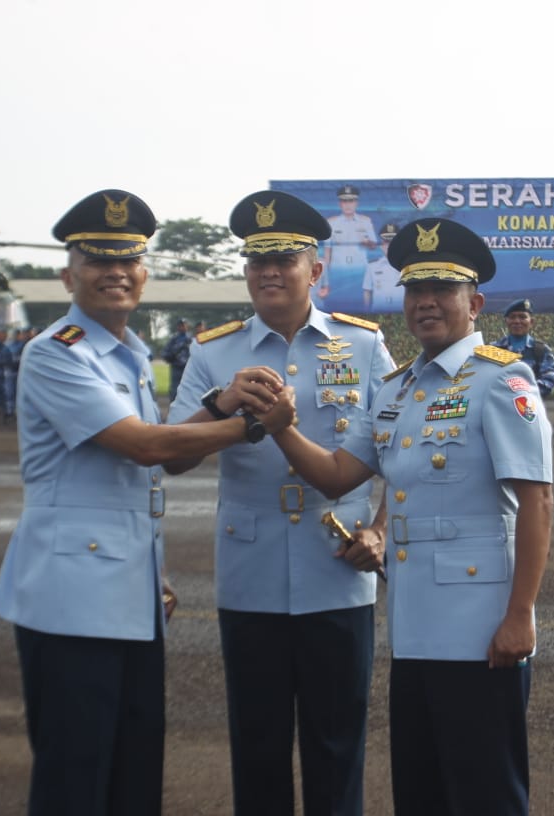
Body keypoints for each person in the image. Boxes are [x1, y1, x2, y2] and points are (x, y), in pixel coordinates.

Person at [0, 188, 293, 816]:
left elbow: (158, 462)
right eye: (99, 261)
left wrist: (221, 404)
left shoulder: (125, 355)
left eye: (128, 261)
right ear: (68, 274)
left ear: (144, 273)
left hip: (126, 594)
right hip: (70, 601)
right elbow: (144, 447)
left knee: (133, 771)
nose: (116, 273)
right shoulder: (57, 352)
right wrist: (255, 425)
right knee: (75, 778)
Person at [264, 217, 553, 816]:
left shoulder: (503, 379)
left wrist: (521, 616)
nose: (425, 304)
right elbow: (341, 474)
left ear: (473, 303)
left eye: (441, 292)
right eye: (415, 292)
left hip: (481, 628)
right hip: (416, 626)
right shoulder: (396, 391)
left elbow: (537, 502)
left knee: (485, 791)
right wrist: (282, 428)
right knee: (421, 789)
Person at [165, 190, 396, 816]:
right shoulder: (214, 352)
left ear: (314, 270)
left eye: (285, 259)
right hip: (251, 578)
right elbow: (174, 455)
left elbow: (401, 458)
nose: (269, 271)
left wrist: (380, 532)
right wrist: (222, 404)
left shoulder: (366, 346)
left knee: (337, 744)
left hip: (337, 572)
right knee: (258, 745)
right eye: (257, 261)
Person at [320, 184, 378, 307]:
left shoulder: (365, 221)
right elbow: (327, 252)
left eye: (351, 201)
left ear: (356, 203)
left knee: (359, 306)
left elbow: (374, 245)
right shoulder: (332, 223)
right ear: (340, 204)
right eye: (344, 201)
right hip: (337, 272)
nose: (348, 205)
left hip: (360, 273)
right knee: (336, 307)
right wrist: (326, 278)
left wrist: (367, 243)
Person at [494, 298, 554, 397]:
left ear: (531, 322)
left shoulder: (542, 351)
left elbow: (549, 382)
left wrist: (520, 392)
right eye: (512, 317)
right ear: (506, 321)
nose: (517, 321)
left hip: (530, 408)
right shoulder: (494, 349)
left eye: (522, 317)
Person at [362, 222, 403, 312]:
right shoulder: (372, 266)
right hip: (378, 312)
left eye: (393, 242)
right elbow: (367, 291)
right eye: (386, 242)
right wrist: (367, 311)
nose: (389, 246)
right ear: (381, 245)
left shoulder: (407, 265)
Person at [160, 317, 192, 403]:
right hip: (176, 367)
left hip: (188, 367)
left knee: (189, 387)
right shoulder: (173, 339)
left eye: (184, 325)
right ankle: (174, 403)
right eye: (181, 325)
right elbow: (165, 352)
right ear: (178, 327)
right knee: (174, 388)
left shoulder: (191, 339)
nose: (183, 327)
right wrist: (171, 356)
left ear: (187, 326)